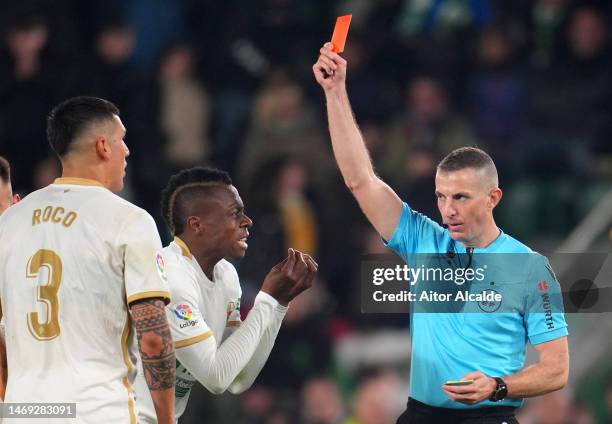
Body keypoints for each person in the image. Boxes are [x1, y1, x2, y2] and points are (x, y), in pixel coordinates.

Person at [313, 43, 569, 423]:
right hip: (421, 415)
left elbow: (557, 369)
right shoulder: (422, 240)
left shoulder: (530, 268)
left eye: (461, 197)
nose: (448, 209)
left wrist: (498, 385)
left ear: (492, 198)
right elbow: (360, 180)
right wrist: (335, 92)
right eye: (441, 196)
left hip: (489, 416)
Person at [0, 97, 176, 423]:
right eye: (121, 140)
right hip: (98, 410)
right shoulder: (129, 221)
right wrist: (167, 419)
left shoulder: (10, 222)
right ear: (103, 146)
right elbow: (153, 337)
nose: (127, 151)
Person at [134, 166, 317, 422]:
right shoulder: (172, 279)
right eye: (234, 213)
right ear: (197, 225)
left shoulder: (226, 275)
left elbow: (238, 377)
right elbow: (216, 378)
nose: (247, 221)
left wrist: (278, 305)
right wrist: (266, 300)